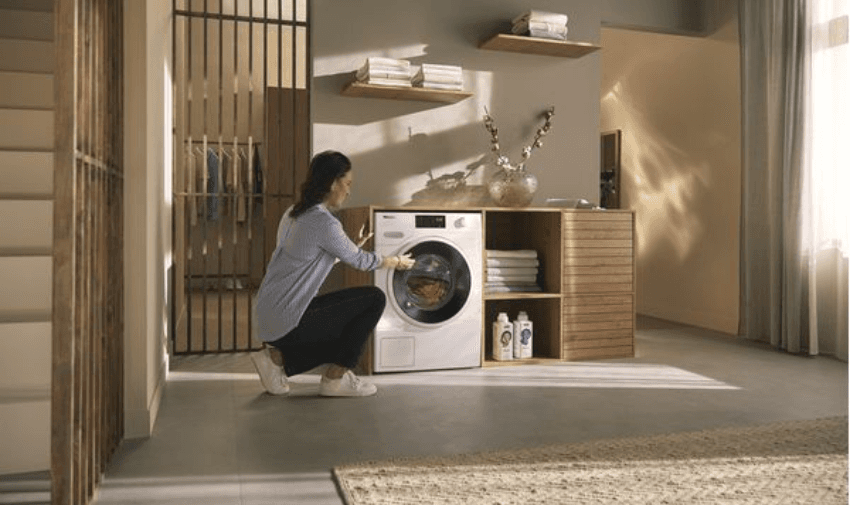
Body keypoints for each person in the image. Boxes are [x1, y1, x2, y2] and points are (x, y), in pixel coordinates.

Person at [251, 150, 414, 397]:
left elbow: (309, 258)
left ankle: (276, 359)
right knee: (373, 300)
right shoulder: (324, 222)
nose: (349, 191)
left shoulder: (293, 213)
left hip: (268, 312)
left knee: (343, 324)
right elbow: (361, 262)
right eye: (347, 184)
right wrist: (396, 261)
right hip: (287, 318)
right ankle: (334, 379)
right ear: (332, 182)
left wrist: (352, 245)